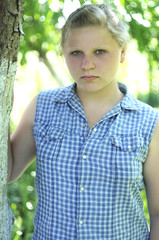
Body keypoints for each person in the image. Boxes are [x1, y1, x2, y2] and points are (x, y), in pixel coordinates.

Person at [8, 3, 159, 240]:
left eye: (99, 51)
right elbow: (8, 170)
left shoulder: (150, 122)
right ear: (63, 53)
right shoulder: (43, 107)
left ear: (122, 52)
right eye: (76, 52)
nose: (86, 64)